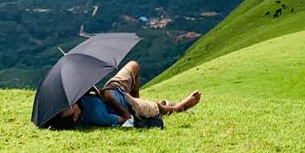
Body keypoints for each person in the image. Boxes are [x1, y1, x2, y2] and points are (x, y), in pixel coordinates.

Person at [45, 60, 201, 129]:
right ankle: (180, 106)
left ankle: (140, 101)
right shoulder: (98, 117)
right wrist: (110, 100)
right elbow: (125, 118)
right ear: (74, 117)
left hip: (113, 90)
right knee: (157, 108)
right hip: (128, 106)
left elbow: (91, 95)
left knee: (134, 65)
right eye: (68, 108)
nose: (69, 104)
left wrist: (93, 91)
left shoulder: (76, 100)